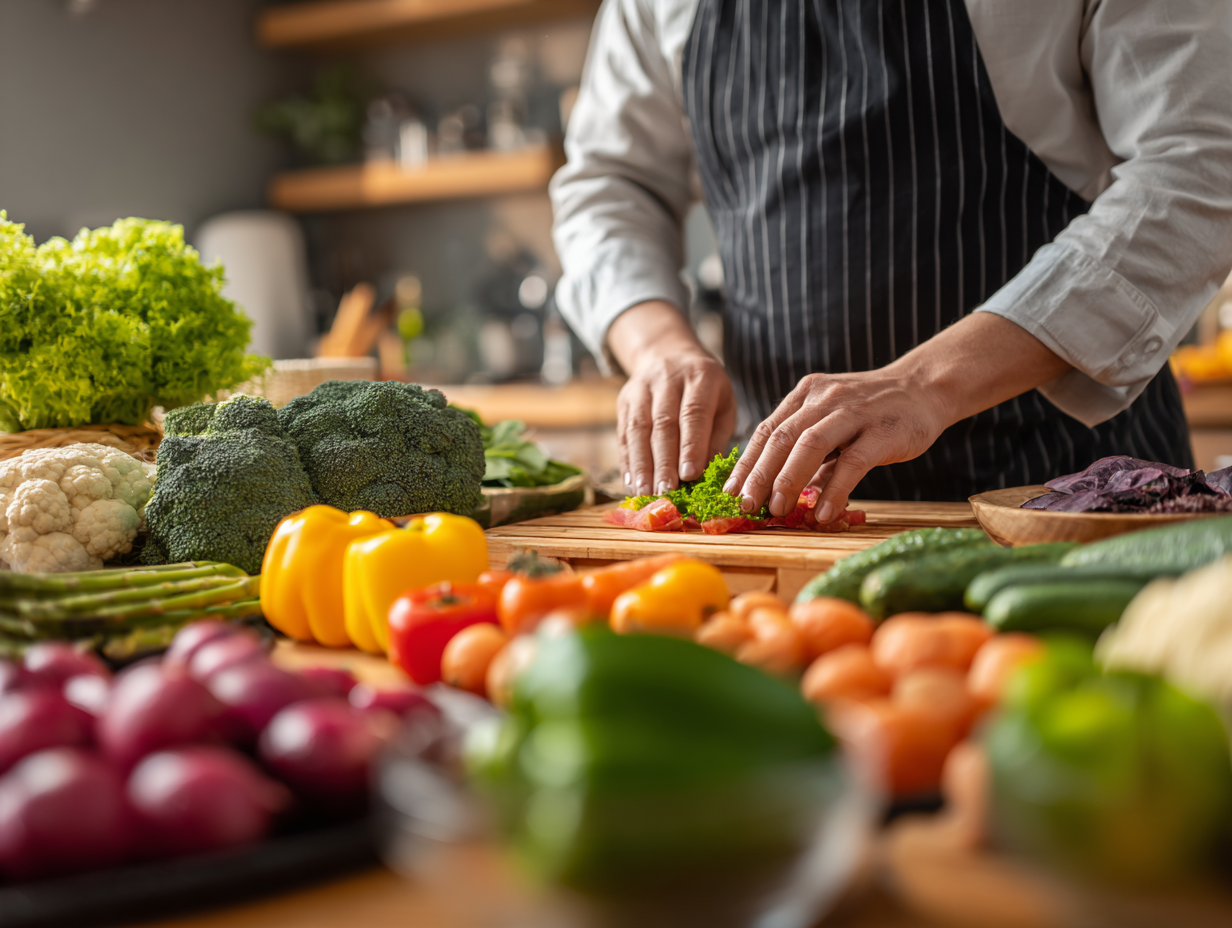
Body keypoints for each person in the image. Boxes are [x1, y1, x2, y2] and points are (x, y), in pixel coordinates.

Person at [550, 0, 1232, 521]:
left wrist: (928, 383)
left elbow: (1202, 163)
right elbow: (611, 183)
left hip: (1064, 490)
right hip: (780, 499)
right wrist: (657, 347)